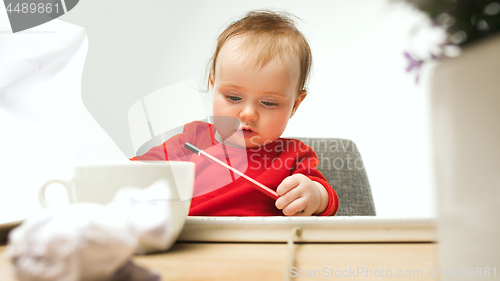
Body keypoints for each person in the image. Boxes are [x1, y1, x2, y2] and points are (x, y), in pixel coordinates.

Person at [131, 10, 339, 216]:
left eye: (268, 102)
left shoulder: (293, 155)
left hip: (262, 246)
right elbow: (135, 171)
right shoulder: (193, 139)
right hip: (191, 244)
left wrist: (315, 196)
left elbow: (326, 198)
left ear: (294, 105)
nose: (248, 114)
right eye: (233, 98)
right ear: (214, 87)